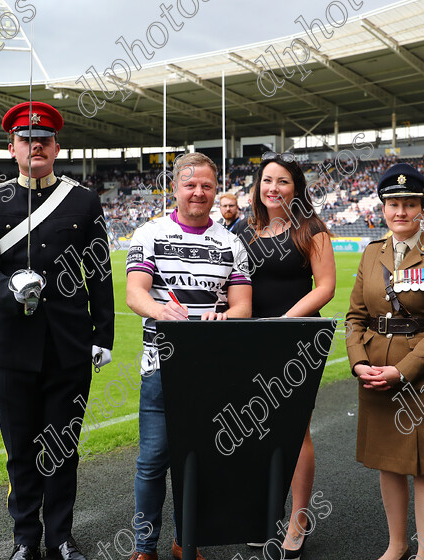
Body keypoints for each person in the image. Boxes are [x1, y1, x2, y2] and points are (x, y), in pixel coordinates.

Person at [0, 101, 115, 560]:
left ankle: (61, 538)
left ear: (56, 146)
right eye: (27, 140)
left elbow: (101, 273)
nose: (36, 146)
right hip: (13, 349)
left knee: (63, 449)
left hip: (69, 347)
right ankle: (25, 540)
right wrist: (10, 289)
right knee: (20, 451)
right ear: (12, 147)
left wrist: (102, 335)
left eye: (44, 140)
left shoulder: (83, 200)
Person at [125, 152, 252, 560]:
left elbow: (243, 309)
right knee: (152, 462)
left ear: (216, 190)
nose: (198, 192)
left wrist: (225, 318)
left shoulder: (232, 242)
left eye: (207, 186)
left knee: (196, 464)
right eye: (190, 184)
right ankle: (145, 548)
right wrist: (162, 311)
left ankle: (186, 543)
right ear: (176, 187)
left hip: (210, 371)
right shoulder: (149, 233)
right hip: (160, 368)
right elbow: (135, 293)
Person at [346, 163, 424, 560]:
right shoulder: (370, 254)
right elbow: (355, 318)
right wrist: (360, 363)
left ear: (422, 208)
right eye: (393, 203)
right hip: (376, 372)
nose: (401, 212)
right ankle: (397, 545)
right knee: (390, 464)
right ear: (382, 208)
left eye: (409, 204)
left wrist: (403, 370)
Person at [238, 151, 336, 557]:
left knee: (295, 431)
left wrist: (282, 321)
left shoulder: (310, 228)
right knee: (257, 429)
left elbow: (325, 286)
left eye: (282, 182)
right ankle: (265, 513)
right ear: (257, 187)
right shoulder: (243, 230)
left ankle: (298, 519)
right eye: (267, 181)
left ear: (296, 189)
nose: (273, 189)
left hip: (296, 340)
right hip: (250, 341)